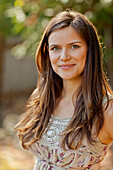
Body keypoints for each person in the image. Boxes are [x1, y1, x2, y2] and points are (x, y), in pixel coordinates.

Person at [15, 10, 113, 170]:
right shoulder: (41, 97)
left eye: (74, 46)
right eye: (55, 48)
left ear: (90, 50)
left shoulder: (107, 109)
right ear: (47, 53)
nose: (64, 56)